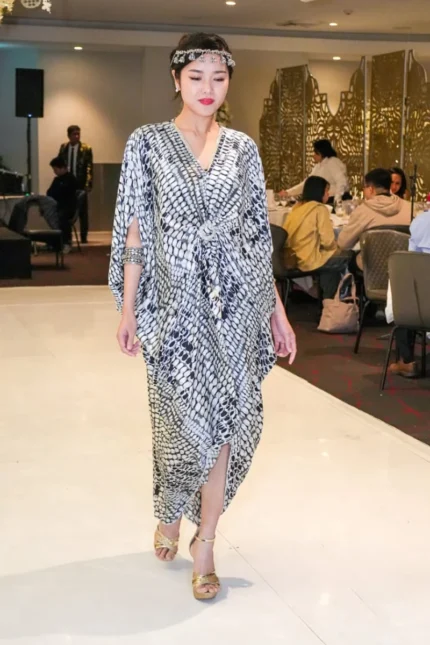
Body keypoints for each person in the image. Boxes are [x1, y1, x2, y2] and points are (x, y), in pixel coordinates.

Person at [108, 32, 297, 602]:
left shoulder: (242, 149)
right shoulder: (147, 143)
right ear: (177, 80)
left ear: (229, 80)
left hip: (235, 307)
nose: (208, 88)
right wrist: (128, 307)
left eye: (218, 77)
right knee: (181, 423)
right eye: (196, 77)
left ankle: (206, 541)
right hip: (173, 307)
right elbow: (135, 230)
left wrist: (276, 313)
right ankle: (170, 510)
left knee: (226, 426)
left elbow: (255, 238)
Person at [282, 176, 351, 299]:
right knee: (346, 256)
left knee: (331, 262)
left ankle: (326, 298)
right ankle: (333, 298)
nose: (328, 194)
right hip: (308, 259)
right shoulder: (320, 209)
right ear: (319, 192)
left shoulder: (297, 207)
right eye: (326, 190)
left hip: (292, 257)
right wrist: (337, 248)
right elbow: (328, 242)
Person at [338, 168, 410, 269]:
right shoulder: (409, 207)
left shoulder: (363, 210)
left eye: (364, 187)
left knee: (349, 259)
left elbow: (343, 243)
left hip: (372, 266)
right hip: (402, 265)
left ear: (371, 189)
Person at [387, 210, 430, 378]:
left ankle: (407, 360)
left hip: (419, 299)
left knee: (403, 288)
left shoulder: (421, 221)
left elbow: (411, 259)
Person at [282, 139, 350, 201]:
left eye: (315, 153)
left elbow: (342, 182)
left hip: (333, 199)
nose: (313, 156)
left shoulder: (333, 162)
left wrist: (337, 200)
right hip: (324, 200)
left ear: (322, 153)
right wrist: (288, 192)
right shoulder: (318, 166)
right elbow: (307, 184)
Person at [59, 125, 93, 243]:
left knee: (83, 211)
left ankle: (84, 236)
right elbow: (60, 164)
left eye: (78, 134)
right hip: (67, 183)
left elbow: (89, 167)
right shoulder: (63, 147)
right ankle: (66, 236)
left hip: (80, 183)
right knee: (66, 209)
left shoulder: (86, 148)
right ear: (69, 136)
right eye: (74, 134)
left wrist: (88, 183)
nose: (77, 136)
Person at [47, 156, 78, 253]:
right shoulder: (57, 180)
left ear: (62, 168)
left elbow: (66, 194)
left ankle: (66, 242)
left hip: (68, 208)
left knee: (62, 216)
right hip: (58, 206)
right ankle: (53, 242)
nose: (54, 172)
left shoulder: (71, 179)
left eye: (55, 169)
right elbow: (49, 192)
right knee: (47, 214)